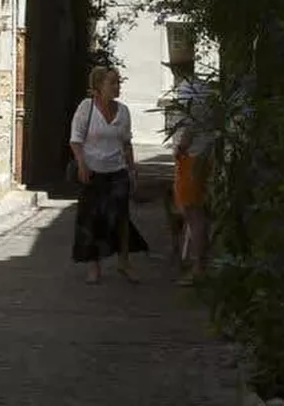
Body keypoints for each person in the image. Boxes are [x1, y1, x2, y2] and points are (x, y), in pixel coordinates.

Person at [69, 65, 150, 284]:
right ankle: (93, 266)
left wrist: (132, 170)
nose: (117, 87)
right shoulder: (86, 108)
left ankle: (124, 262)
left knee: (121, 218)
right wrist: (82, 164)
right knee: (91, 219)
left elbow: (126, 143)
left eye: (118, 82)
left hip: (117, 171)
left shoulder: (123, 111)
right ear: (98, 85)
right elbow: (76, 140)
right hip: (92, 172)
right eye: (112, 83)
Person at [168, 74, 216, 283]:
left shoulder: (190, 90)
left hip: (191, 159)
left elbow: (189, 125)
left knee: (193, 213)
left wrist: (180, 149)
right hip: (204, 156)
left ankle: (198, 267)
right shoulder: (204, 88)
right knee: (199, 213)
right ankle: (199, 262)